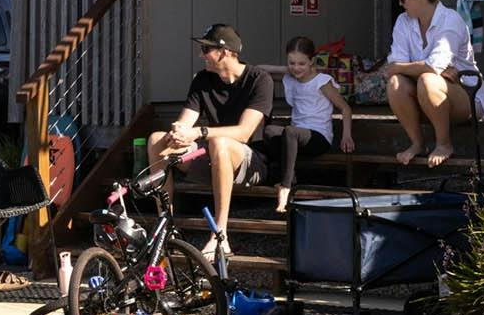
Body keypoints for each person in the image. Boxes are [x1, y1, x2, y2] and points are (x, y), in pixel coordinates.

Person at [147, 23, 272, 259]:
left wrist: (199, 132)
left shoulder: (259, 79)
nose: (200, 55)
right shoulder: (203, 79)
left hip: (251, 163)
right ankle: (166, 225)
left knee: (220, 142)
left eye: (206, 50)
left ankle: (220, 234)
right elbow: (187, 121)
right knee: (156, 140)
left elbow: (245, 133)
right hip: (212, 158)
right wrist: (178, 131)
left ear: (224, 52)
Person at [384, 0, 484, 167]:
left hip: (467, 95)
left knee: (428, 80)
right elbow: (393, 67)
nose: (400, 4)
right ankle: (417, 143)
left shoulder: (450, 20)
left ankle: (444, 143)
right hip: (428, 94)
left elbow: (430, 68)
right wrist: (421, 69)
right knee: (395, 83)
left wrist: (410, 68)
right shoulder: (403, 21)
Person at [266, 36, 354, 214]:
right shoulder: (291, 77)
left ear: (311, 61)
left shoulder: (321, 81)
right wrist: (287, 70)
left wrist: (346, 135)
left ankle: (286, 186)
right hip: (297, 137)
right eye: (292, 63)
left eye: (302, 64)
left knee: (290, 132)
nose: (296, 68)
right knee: (269, 131)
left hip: (318, 137)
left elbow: (345, 108)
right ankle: (289, 176)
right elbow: (260, 70)